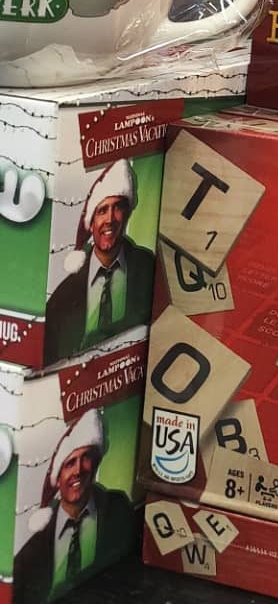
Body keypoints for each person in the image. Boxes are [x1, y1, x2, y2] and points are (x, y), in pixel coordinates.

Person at [14, 410, 134, 603]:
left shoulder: (119, 510)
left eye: (86, 457)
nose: (78, 470)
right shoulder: (30, 551)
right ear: (57, 478)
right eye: (69, 463)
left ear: (95, 463)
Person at [43, 160, 155, 365]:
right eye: (102, 210)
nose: (110, 219)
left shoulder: (149, 269)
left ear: (127, 213)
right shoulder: (62, 298)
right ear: (91, 222)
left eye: (117, 207)